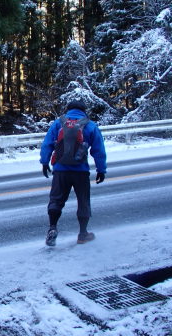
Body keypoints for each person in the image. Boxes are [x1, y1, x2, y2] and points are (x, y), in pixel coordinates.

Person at [39, 100, 107, 246]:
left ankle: (52, 228)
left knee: (56, 200)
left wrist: (45, 162)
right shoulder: (90, 125)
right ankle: (83, 234)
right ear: (83, 110)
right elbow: (99, 150)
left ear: (68, 110)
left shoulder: (59, 123)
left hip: (60, 171)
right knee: (83, 202)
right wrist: (101, 170)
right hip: (80, 172)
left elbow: (47, 144)